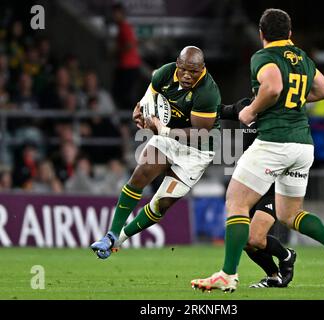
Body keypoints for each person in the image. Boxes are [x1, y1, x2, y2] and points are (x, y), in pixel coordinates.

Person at [191, 8, 324, 292]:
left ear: (261, 34)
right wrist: (293, 102)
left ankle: (227, 275)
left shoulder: (264, 57)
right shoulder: (302, 57)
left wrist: (251, 111)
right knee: (289, 215)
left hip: (275, 141)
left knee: (236, 201)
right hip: (302, 144)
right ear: (289, 33)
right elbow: (323, 90)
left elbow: (273, 87)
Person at [91, 46, 221, 258]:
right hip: (169, 138)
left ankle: (120, 239)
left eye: (194, 71)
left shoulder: (207, 92)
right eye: (183, 69)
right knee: (140, 174)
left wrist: (162, 130)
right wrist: (140, 110)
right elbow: (149, 97)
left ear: (203, 69)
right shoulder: (165, 73)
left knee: (161, 203)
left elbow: (200, 133)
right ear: (177, 64)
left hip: (197, 150)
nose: (188, 75)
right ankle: (111, 234)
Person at [220, 98, 296, 288]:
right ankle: (273, 276)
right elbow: (218, 110)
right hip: (247, 183)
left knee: (254, 238)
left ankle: (286, 255)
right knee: (245, 241)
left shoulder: (280, 111)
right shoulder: (244, 105)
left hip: (272, 184)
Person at [111, 3, 142, 109]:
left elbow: (129, 44)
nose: (114, 16)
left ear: (121, 14)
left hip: (128, 67)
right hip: (127, 66)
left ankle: (128, 117)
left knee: (123, 94)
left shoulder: (124, 27)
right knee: (121, 93)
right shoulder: (123, 27)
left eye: (116, 13)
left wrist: (116, 51)